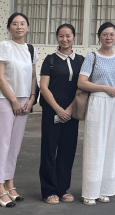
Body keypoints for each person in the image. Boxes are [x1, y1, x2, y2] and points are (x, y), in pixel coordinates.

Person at [0, 12, 38, 208]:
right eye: (15, 23)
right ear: (9, 27)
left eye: (23, 23)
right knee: (2, 143)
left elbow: (33, 76)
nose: (19, 27)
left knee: (15, 145)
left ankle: (9, 184)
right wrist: (14, 101)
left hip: (25, 100)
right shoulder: (3, 46)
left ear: (28, 27)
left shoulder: (30, 49)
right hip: (5, 99)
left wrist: (32, 98)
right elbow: (0, 77)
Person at [77, 22, 115, 206]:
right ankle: (90, 192)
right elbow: (82, 82)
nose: (108, 37)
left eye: (111, 34)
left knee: (112, 146)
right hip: (97, 102)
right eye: (105, 34)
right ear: (99, 37)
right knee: (94, 145)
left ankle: (105, 189)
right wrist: (104, 88)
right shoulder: (92, 56)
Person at [38, 23, 84, 204]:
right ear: (57, 38)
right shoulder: (50, 60)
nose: (65, 39)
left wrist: (70, 109)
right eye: (61, 36)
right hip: (52, 112)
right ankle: (49, 190)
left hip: (72, 113)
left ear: (74, 37)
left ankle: (62, 189)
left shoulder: (80, 60)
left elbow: (81, 88)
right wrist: (58, 109)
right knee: (49, 150)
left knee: (67, 150)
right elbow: (44, 87)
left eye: (68, 36)